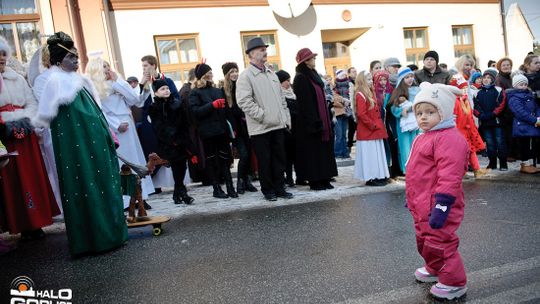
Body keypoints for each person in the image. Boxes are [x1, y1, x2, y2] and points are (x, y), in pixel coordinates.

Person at [33, 32, 127, 256]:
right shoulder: (54, 82)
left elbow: (97, 111)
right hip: (76, 148)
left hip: (95, 144)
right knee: (84, 186)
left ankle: (112, 235)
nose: (76, 61)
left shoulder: (82, 80)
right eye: (71, 57)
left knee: (103, 183)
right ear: (57, 61)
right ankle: (92, 241)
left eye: (77, 57)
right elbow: (44, 117)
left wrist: (107, 133)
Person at [407, 82, 469, 300]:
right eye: (420, 112)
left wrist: (442, 205)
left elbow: (449, 176)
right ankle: (435, 268)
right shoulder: (424, 136)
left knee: (441, 241)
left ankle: (454, 282)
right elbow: (418, 174)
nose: (423, 117)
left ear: (443, 112)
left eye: (430, 112)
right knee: (424, 240)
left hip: (441, 203)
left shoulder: (450, 139)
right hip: (422, 203)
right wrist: (413, 199)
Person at [0, 36, 59, 241]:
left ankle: (36, 222)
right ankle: (21, 223)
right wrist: (5, 124)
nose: (1, 58)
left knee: (32, 178)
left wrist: (27, 122)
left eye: (3, 54)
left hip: (25, 134)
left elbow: (32, 103)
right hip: (5, 138)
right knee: (13, 181)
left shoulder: (17, 78)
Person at [86, 57, 155, 208]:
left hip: (128, 124)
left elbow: (134, 99)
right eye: (104, 66)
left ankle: (140, 196)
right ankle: (126, 199)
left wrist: (118, 81)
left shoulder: (115, 83)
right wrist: (116, 126)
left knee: (136, 160)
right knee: (123, 163)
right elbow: (99, 112)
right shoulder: (93, 88)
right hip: (116, 128)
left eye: (108, 66)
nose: (107, 69)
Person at [236, 37, 292, 201]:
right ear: (251, 54)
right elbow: (244, 102)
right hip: (261, 128)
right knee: (265, 161)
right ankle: (268, 190)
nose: (265, 52)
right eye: (261, 49)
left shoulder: (271, 74)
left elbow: (282, 99)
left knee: (279, 159)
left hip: (278, 125)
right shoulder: (246, 76)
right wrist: (263, 116)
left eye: (265, 49)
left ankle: (279, 187)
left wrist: (285, 117)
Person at [292, 48, 338, 191]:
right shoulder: (300, 77)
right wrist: (314, 122)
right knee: (313, 153)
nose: (314, 60)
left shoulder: (314, 75)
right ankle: (315, 180)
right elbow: (305, 103)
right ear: (305, 61)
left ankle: (324, 178)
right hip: (310, 123)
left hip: (322, 119)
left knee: (323, 151)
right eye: (312, 58)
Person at [190, 63, 237, 199]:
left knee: (225, 160)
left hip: (221, 131)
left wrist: (232, 128)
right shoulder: (195, 93)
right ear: (202, 76)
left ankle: (230, 187)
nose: (211, 75)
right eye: (208, 73)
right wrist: (212, 105)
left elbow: (227, 111)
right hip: (208, 132)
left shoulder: (218, 90)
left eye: (211, 72)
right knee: (212, 161)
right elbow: (195, 112)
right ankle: (216, 188)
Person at [136, 55, 179, 195]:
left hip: (165, 121)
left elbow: (175, 99)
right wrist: (142, 85)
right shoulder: (143, 84)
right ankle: (154, 185)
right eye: (142, 66)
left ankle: (174, 183)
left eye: (146, 66)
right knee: (151, 150)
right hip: (149, 122)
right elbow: (138, 102)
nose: (144, 69)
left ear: (154, 65)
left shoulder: (166, 81)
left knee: (167, 148)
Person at [149, 79, 195, 203]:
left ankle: (176, 193)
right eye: (162, 89)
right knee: (176, 167)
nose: (166, 91)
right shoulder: (154, 108)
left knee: (182, 167)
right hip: (168, 143)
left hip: (181, 141)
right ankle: (183, 194)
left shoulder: (177, 104)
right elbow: (158, 127)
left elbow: (185, 123)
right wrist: (172, 138)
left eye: (167, 88)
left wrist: (183, 139)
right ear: (156, 93)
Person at [221, 62, 257, 194]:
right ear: (226, 75)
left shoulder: (242, 86)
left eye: (236, 71)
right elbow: (227, 112)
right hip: (236, 129)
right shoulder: (224, 90)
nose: (235, 74)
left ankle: (247, 181)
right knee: (244, 155)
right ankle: (240, 182)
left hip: (248, 126)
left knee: (249, 154)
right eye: (231, 72)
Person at [353, 71, 390, 186]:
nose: (371, 82)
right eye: (368, 79)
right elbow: (361, 114)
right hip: (369, 131)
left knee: (376, 154)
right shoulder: (360, 94)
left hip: (375, 129)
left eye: (371, 79)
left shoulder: (369, 92)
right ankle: (371, 176)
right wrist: (372, 125)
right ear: (362, 81)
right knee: (370, 155)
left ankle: (378, 175)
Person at [451, 76, 487, 178]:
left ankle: (476, 170)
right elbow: (454, 117)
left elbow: (469, 115)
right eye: (462, 88)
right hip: (459, 131)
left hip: (468, 129)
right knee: (462, 152)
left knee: (471, 150)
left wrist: (472, 127)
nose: (465, 90)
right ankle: (463, 171)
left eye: (466, 88)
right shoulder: (455, 101)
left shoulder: (465, 100)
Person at [473, 68, 507, 170]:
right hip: (485, 122)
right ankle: (492, 163)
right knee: (490, 143)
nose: (486, 79)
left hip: (497, 121)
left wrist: (493, 114)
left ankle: (503, 163)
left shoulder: (498, 90)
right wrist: (481, 115)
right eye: (484, 77)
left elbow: (502, 103)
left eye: (489, 77)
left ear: (493, 79)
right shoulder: (477, 92)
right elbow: (475, 106)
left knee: (500, 142)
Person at [507, 74, 540, 174]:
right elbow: (520, 112)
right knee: (524, 146)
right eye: (521, 84)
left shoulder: (529, 94)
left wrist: (538, 117)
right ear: (515, 86)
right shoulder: (514, 97)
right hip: (522, 126)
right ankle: (525, 164)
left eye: (525, 84)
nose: (524, 86)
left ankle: (531, 164)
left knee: (532, 145)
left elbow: (536, 107)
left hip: (531, 124)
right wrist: (534, 120)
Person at [389, 67, 420, 174]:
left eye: (411, 76)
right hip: (404, 124)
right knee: (405, 147)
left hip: (417, 123)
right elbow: (393, 108)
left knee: (416, 145)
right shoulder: (398, 92)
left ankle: (418, 168)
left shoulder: (417, 90)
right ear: (402, 79)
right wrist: (401, 111)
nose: (410, 79)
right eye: (407, 77)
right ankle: (408, 169)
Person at [276, 69, 297, 187]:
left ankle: (293, 177)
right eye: (285, 81)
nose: (288, 83)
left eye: (289, 80)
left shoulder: (292, 93)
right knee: (285, 156)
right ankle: (286, 178)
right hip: (285, 128)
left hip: (295, 128)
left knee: (293, 155)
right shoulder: (279, 94)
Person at [333, 69, 353, 158]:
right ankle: (337, 152)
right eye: (341, 75)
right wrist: (343, 101)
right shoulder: (334, 86)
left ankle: (345, 152)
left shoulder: (349, 85)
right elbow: (332, 100)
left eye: (344, 75)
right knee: (339, 134)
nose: (343, 77)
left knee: (344, 134)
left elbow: (352, 97)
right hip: (337, 113)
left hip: (346, 112)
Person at [347, 67, 358, 150]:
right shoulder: (348, 83)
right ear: (349, 74)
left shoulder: (357, 82)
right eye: (353, 72)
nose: (355, 73)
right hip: (350, 109)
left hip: (357, 107)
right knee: (352, 129)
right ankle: (349, 147)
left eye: (355, 71)